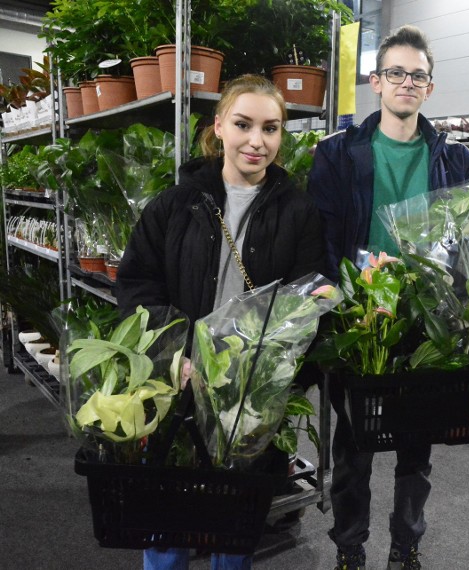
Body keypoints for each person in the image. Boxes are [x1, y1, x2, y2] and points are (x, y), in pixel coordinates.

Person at [115, 74, 326, 570]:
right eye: (243, 124)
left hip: (248, 398)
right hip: (178, 385)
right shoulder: (175, 206)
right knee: (167, 520)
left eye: (271, 128)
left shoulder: (299, 213)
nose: (257, 141)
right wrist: (177, 351)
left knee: (233, 528)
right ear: (219, 127)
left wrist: (270, 375)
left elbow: (307, 303)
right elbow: (137, 287)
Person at [307, 25, 469, 570]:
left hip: (423, 325)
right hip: (360, 322)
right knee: (353, 453)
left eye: (418, 75)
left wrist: (467, 309)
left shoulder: (457, 162)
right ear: (376, 82)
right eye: (397, 73)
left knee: (416, 451)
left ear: (430, 86)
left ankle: (406, 547)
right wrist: (337, 298)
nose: (407, 82)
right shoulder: (337, 156)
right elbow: (323, 238)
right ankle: (350, 549)